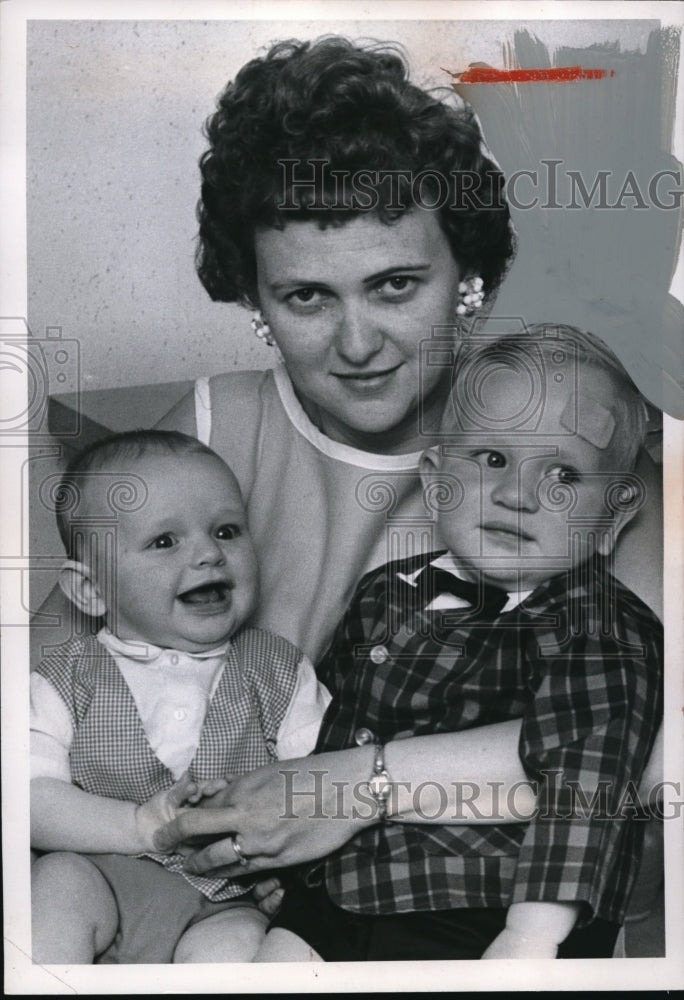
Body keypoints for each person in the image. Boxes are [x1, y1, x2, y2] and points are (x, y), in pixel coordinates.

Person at [34, 36, 664, 955]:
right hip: (204, 905)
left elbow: (632, 762)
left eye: (396, 284)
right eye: (305, 298)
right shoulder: (207, 425)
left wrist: (348, 786)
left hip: (463, 916)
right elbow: (52, 672)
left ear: (468, 281)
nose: (357, 341)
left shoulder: (572, 447)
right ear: (255, 298)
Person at [245, 324, 662, 962]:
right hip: (335, 897)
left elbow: (587, 786)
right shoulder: (389, 592)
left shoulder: (602, 629)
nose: (517, 495)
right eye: (492, 459)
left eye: (563, 475)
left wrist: (531, 936)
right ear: (437, 481)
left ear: (611, 517)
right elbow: (330, 724)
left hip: (478, 904)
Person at [30, 430, 330, 964]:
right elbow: (26, 797)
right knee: (53, 896)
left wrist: (287, 872)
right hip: (101, 871)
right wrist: (135, 826)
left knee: (237, 954)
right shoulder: (64, 677)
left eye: (227, 531)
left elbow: (318, 787)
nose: (210, 554)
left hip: (230, 900)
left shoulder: (280, 670)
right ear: (91, 591)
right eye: (165, 541)